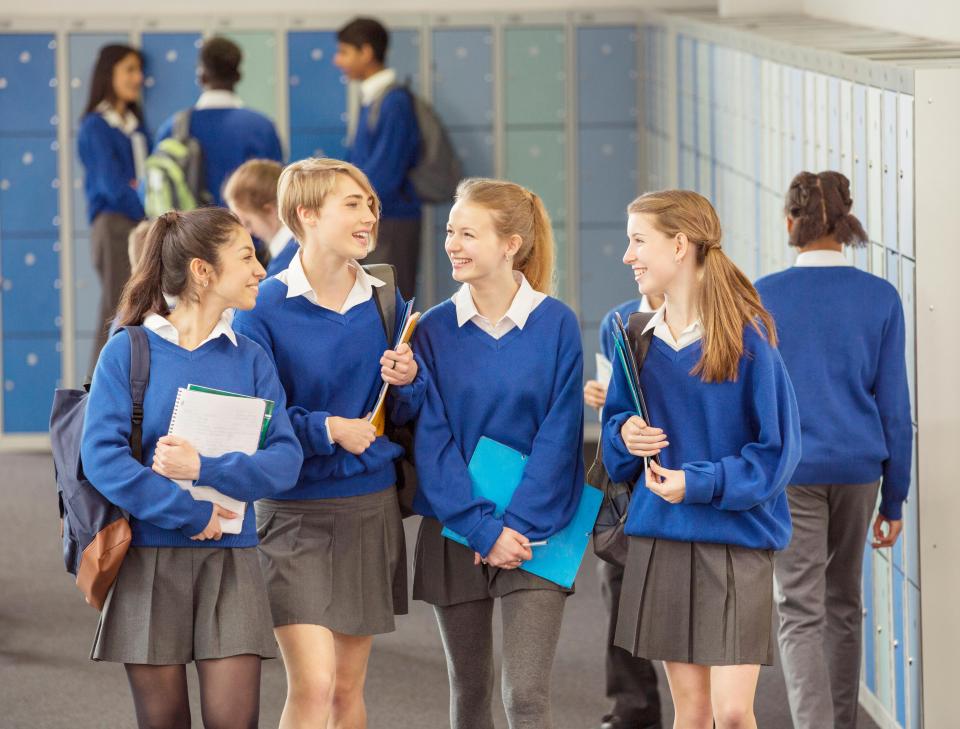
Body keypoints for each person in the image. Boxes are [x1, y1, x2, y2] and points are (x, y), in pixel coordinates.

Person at [80, 207, 303, 729]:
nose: (260, 270)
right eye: (247, 256)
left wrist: (206, 467)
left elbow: (286, 459)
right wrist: (185, 511)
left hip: (232, 562)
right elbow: (103, 459)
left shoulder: (250, 357)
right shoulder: (128, 351)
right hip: (149, 562)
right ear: (203, 271)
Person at [232, 157, 424, 729]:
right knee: (312, 686)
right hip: (291, 512)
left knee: (345, 690)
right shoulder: (262, 306)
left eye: (370, 204)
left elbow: (403, 415)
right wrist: (325, 428)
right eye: (353, 204)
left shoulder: (387, 300)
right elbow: (256, 417)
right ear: (305, 215)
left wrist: (409, 381)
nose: (369, 215)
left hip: (368, 505)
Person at [602, 190, 801, 729]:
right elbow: (612, 447)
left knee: (733, 713)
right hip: (662, 539)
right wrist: (626, 435)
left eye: (638, 241)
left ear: (680, 245)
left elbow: (778, 454)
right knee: (691, 713)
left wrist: (697, 482)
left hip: (735, 543)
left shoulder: (749, 340)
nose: (628, 256)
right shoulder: (634, 340)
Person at [410, 177, 584, 729]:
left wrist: (518, 529)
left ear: (510, 244)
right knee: (470, 692)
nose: (452, 244)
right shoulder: (432, 329)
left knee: (526, 696)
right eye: (450, 232)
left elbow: (561, 435)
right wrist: (482, 530)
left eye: (468, 233)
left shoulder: (556, 323)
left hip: (540, 528)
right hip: (458, 525)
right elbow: (431, 439)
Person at [755, 171, 912, 729]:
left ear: (790, 222)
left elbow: (749, 397)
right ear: (845, 222)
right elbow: (895, 409)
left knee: (799, 609)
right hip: (858, 470)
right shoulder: (880, 297)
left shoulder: (763, 296)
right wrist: (895, 501)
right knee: (844, 602)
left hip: (792, 471)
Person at [585, 293, 664, 729]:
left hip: (682, 479)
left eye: (639, 242)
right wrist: (605, 402)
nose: (628, 256)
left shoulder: (711, 315)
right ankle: (634, 708)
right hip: (628, 483)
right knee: (617, 585)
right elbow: (618, 408)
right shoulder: (616, 321)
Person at [334, 16, 421, 299]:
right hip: (376, 216)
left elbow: (385, 172)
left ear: (367, 52)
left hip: (391, 219)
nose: (338, 61)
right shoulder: (373, 98)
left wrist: (350, 205)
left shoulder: (394, 102)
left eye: (344, 52)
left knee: (390, 301)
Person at [77, 44, 150, 372]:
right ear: (110, 74)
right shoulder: (96, 125)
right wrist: (147, 204)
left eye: (139, 70)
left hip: (139, 225)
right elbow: (112, 185)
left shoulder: (136, 125)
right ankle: (95, 399)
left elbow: (145, 177)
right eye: (130, 70)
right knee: (117, 310)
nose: (138, 78)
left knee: (137, 309)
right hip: (116, 226)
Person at [157, 36, 283, 207]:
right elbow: (278, 190)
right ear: (238, 76)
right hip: (247, 231)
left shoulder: (173, 127)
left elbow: (155, 186)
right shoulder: (262, 127)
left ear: (201, 76)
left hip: (190, 231)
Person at [223, 159, 298, 276]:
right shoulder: (299, 248)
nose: (248, 232)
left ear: (270, 210)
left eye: (248, 223)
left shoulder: (285, 266)